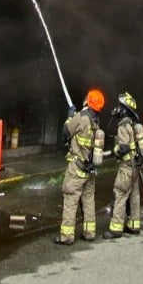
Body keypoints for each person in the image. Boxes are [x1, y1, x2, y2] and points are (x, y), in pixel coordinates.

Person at [54, 88, 105, 245]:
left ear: (88, 101)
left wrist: (70, 117)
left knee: (70, 197)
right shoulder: (96, 120)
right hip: (89, 168)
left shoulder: (81, 117)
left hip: (77, 167)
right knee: (88, 198)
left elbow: (65, 132)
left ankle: (67, 236)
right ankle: (89, 233)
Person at [103, 91, 143, 239]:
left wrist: (114, 151)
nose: (117, 108)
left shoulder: (122, 125)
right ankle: (134, 225)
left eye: (120, 106)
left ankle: (116, 228)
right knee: (134, 195)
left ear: (125, 109)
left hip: (126, 167)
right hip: (134, 165)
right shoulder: (132, 124)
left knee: (119, 194)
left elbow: (123, 148)